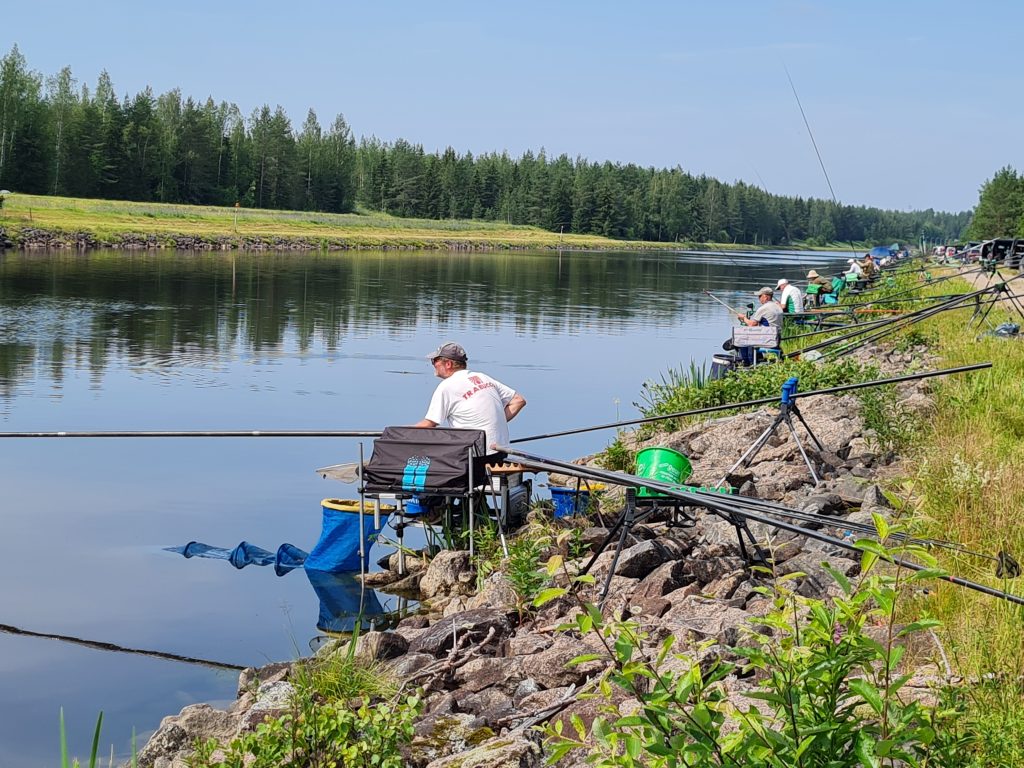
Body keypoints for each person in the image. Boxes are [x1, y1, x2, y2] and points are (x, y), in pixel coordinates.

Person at [414, 341, 526, 454]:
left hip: (475, 456)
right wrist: (493, 423)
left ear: (448, 364)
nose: (433, 364)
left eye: (434, 361)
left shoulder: (447, 386)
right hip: (501, 451)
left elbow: (429, 424)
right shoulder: (482, 377)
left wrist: (397, 435)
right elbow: (518, 401)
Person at [735, 287, 784, 365]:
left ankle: (747, 363)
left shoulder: (764, 308)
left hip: (767, 339)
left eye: (760, 296)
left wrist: (743, 318)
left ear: (766, 296)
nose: (759, 299)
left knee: (741, 339)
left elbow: (751, 324)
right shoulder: (778, 307)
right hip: (777, 338)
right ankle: (757, 359)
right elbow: (764, 323)